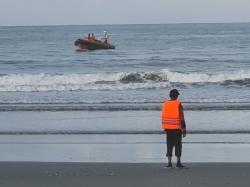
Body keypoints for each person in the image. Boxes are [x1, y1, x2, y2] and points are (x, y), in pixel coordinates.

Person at [161, 89, 186, 168]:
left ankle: (169, 163)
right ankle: (178, 163)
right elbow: (181, 117)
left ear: (170, 96)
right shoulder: (178, 104)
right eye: (177, 95)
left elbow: (163, 115)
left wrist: (165, 127)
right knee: (178, 145)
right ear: (176, 96)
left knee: (169, 145)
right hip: (177, 128)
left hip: (168, 128)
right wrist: (184, 129)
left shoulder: (165, 104)